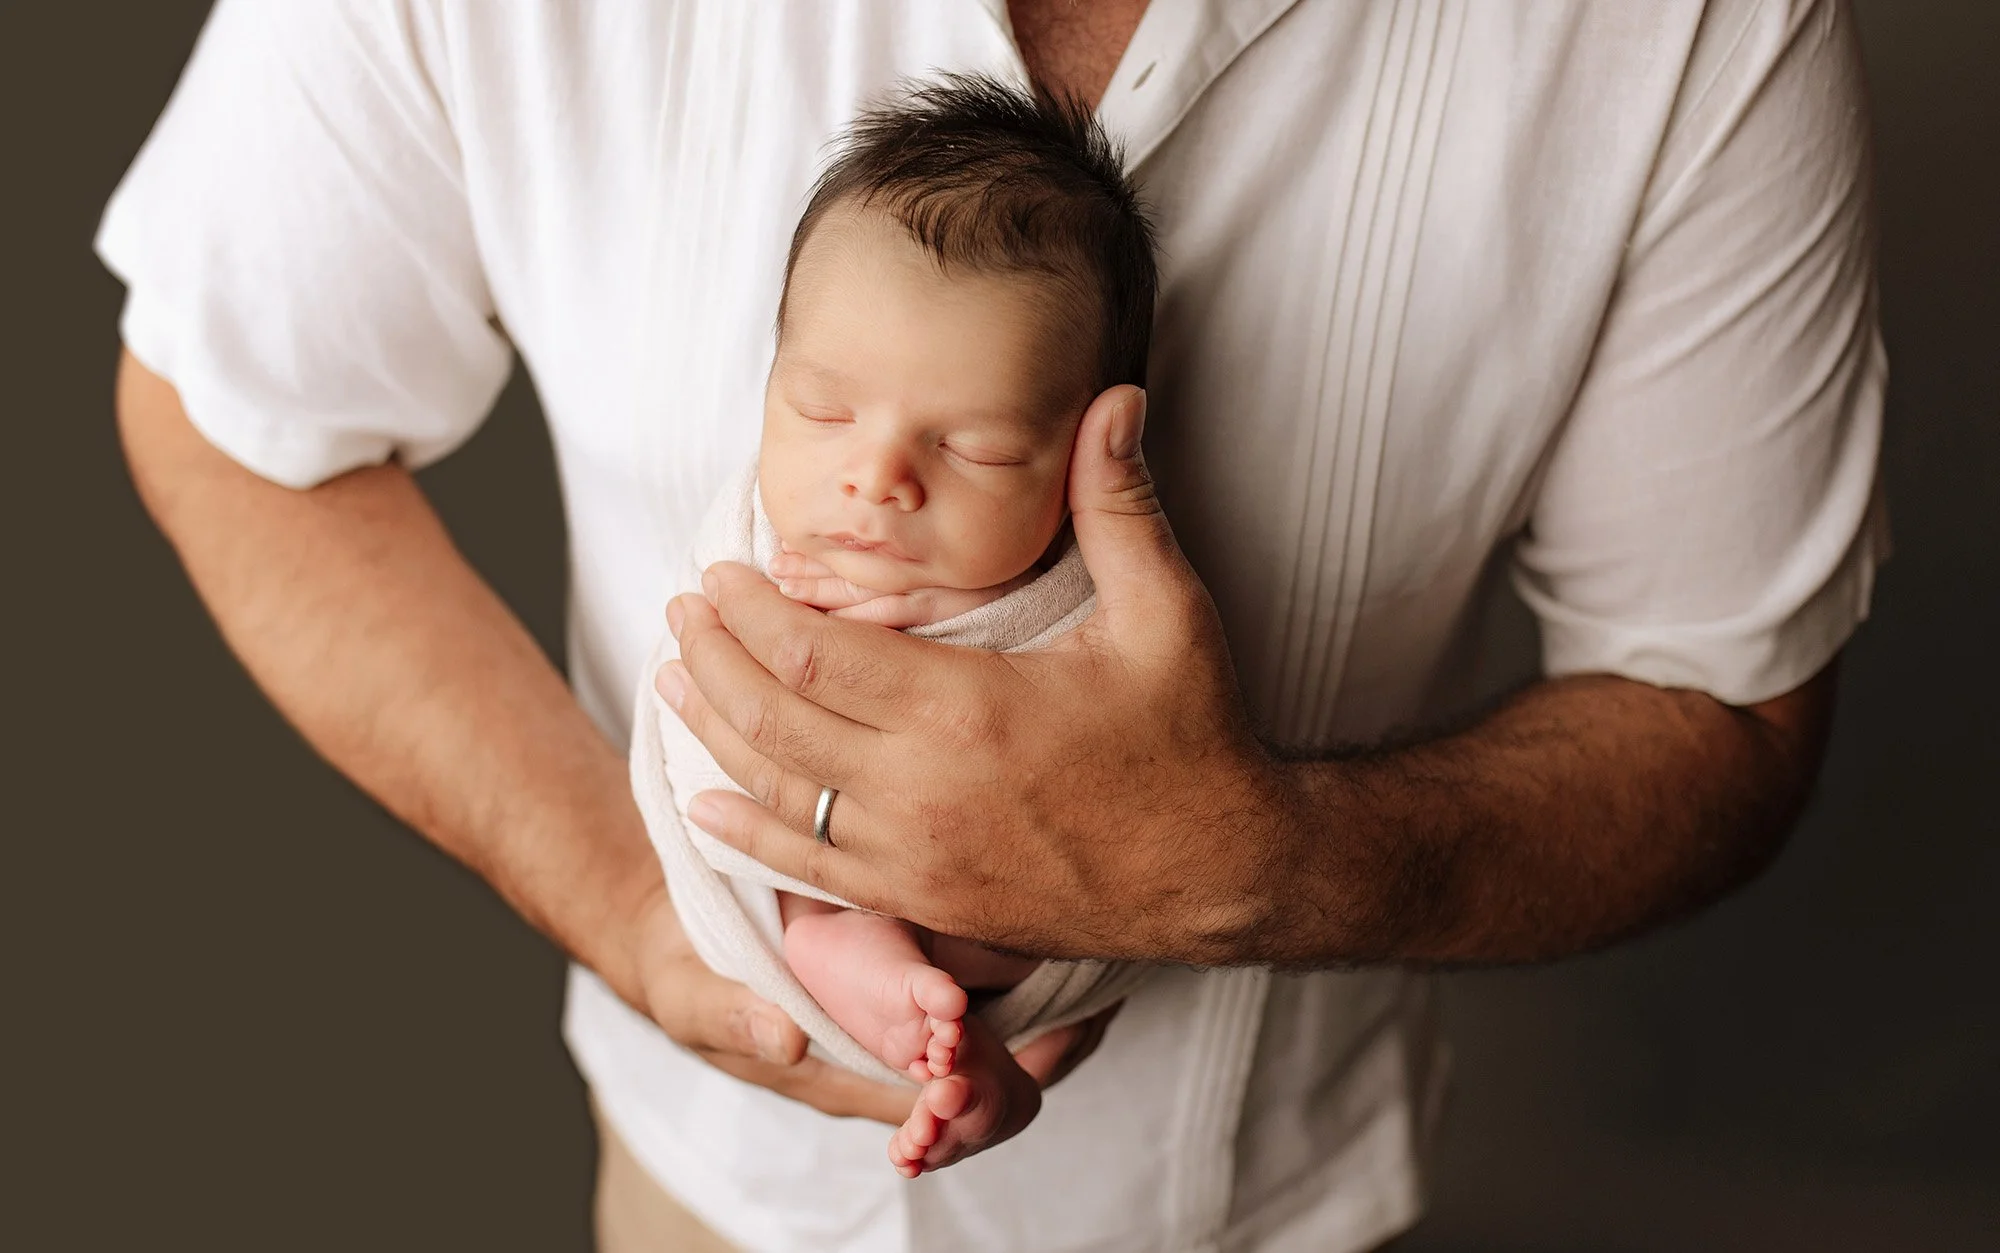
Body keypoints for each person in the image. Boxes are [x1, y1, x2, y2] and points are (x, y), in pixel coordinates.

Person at [101, 1, 1886, 1250]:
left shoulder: (1687, 27)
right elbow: (229, 421)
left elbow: (1722, 708)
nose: (879, 476)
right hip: (711, 1189)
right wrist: (649, 911)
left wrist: (1255, 856)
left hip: (1260, 1209)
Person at [636, 75, 1163, 1179]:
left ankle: (958, 1028)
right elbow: (702, 683)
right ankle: (906, 1003)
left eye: (972, 449)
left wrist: (966, 622)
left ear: (1081, 451)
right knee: (799, 899)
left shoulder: (1085, 571)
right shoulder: (758, 537)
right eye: (823, 412)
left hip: (1032, 924)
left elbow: (1125, 724)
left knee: (1041, 876)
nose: (875, 479)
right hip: (770, 985)